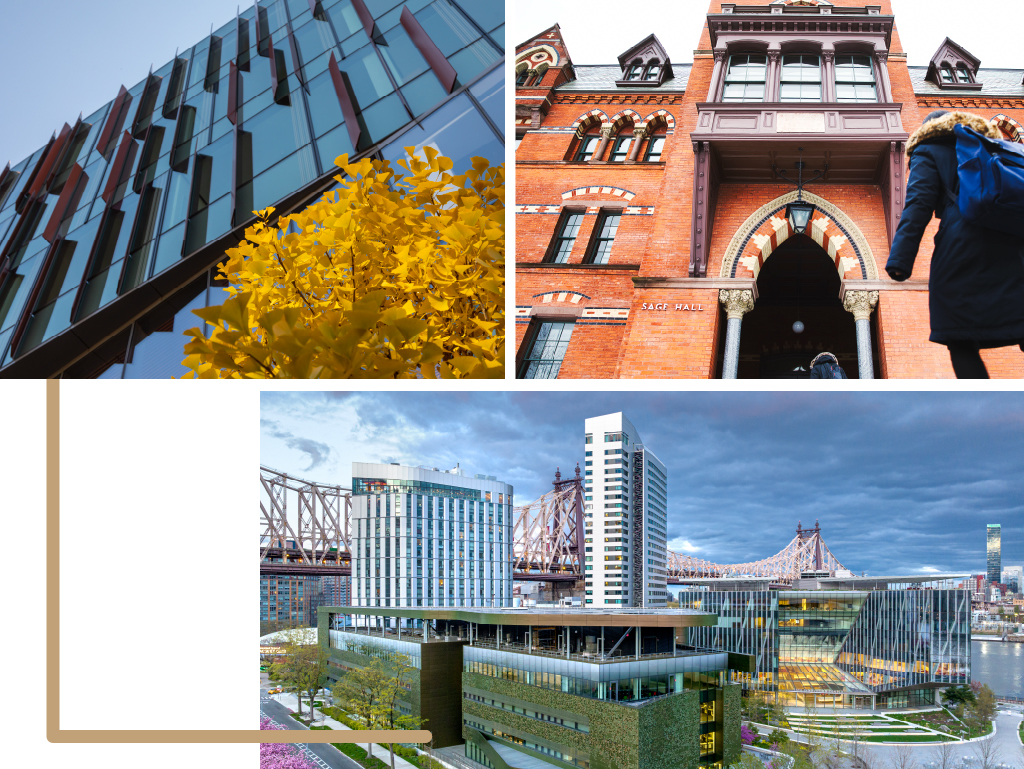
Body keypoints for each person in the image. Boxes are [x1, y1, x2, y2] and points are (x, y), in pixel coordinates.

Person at [885, 110, 1024, 378]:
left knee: (957, 335)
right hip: (1012, 244)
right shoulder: (991, 144)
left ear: (929, 128)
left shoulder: (928, 149)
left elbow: (918, 205)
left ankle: (982, 412)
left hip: (962, 247)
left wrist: (900, 260)